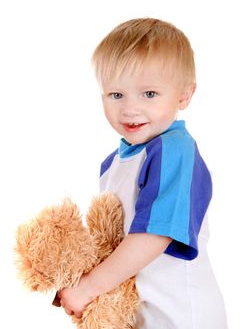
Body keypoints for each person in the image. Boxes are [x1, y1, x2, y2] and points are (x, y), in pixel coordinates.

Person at [59, 18, 228, 328]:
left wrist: (89, 287)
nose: (129, 109)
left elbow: (154, 234)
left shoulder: (174, 150)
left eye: (149, 94)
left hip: (178, 316)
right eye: (116, 95)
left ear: (183, 95)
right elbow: (111, 241)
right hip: (140, 315)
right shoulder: (113, 163)